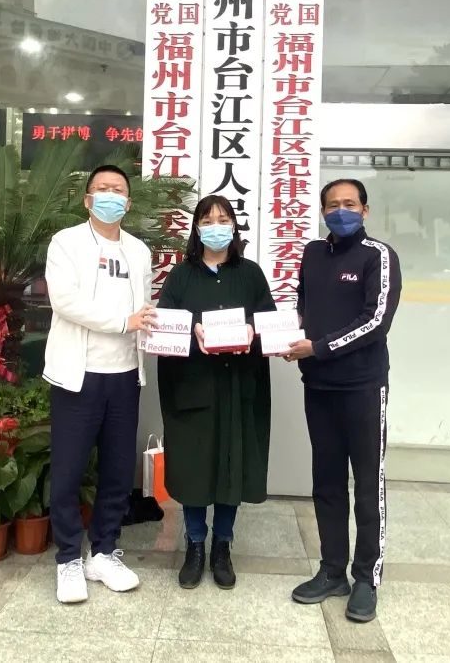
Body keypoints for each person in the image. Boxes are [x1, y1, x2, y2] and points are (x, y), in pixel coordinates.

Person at [282, 178, 402, 623]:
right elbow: (303, 306)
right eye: (332, 205)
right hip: (319, 387)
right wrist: (288, 336)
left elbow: (376, 321)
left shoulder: (379, 256)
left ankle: (366, 577)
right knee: (327, 483)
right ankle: (332, 570)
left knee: (368, 483)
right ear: (322, 211)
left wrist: (318, 347)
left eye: (349, 203)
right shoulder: (313, 253)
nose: (340, 211)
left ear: (365, 210)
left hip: (363, 387)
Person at [43, 164, 157, 604]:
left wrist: (155, 326)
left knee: (117, 470)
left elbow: (145, 308)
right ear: (87, 199)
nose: (111, 195)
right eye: (102, 189)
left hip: (125, 375)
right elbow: (65, 301)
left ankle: (104, 552)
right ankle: (68, 558)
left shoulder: (139, 250)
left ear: (128, 202)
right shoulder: (66, 242)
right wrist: (122, 322)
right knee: (68, 471)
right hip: (78, 375)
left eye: (118, 190)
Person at [156, 194, 277, 590]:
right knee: (195, 467)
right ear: (196, 228)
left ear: (234, 226)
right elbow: (164, 325)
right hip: (193, 387)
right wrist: (192, 328)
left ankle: (222, 545)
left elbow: (270, 321)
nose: (216, 227)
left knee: (232, 465)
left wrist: (252, 329)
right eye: (207, 220)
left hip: (239, 386)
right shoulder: (181, 275)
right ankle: (194, 544)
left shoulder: (251, 274)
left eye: (223, 219)